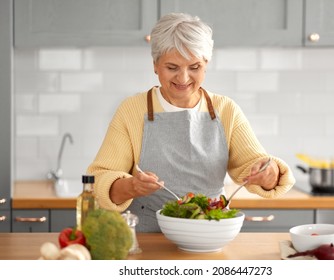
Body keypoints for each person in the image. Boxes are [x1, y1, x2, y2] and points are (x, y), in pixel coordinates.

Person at [87, 13, 296, 232]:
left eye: (194, 67)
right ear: (155, 65)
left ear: (206, 64)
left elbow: (256, 164)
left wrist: (269, 172)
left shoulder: (226, 110)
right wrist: (131, 186)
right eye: (172, 67)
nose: (183, 78)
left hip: (211, 235)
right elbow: (100, 179)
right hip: (148, 240)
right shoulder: (132, 110)